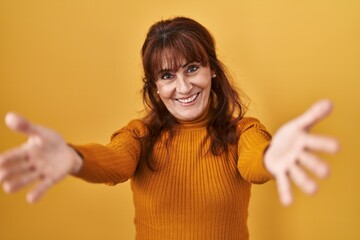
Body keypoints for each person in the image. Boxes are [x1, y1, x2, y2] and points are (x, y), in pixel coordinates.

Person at [0, 17, 339, 240]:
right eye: (167, 76)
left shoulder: (243, 131)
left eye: (192, 68)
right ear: (155, 87)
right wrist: (74, 158)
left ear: (213, 70)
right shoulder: (140, 136)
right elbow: (113, 161)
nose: (183, 87)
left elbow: (255, 162)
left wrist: (271, 156)